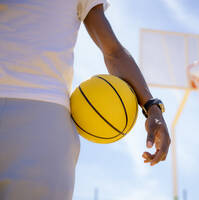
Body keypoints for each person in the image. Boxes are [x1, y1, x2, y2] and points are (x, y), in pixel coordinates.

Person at [0, 0, 171, 199]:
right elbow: (113, 52)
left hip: (43, 113)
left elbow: (113, 52)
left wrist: (153, 107)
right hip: (44, 116)